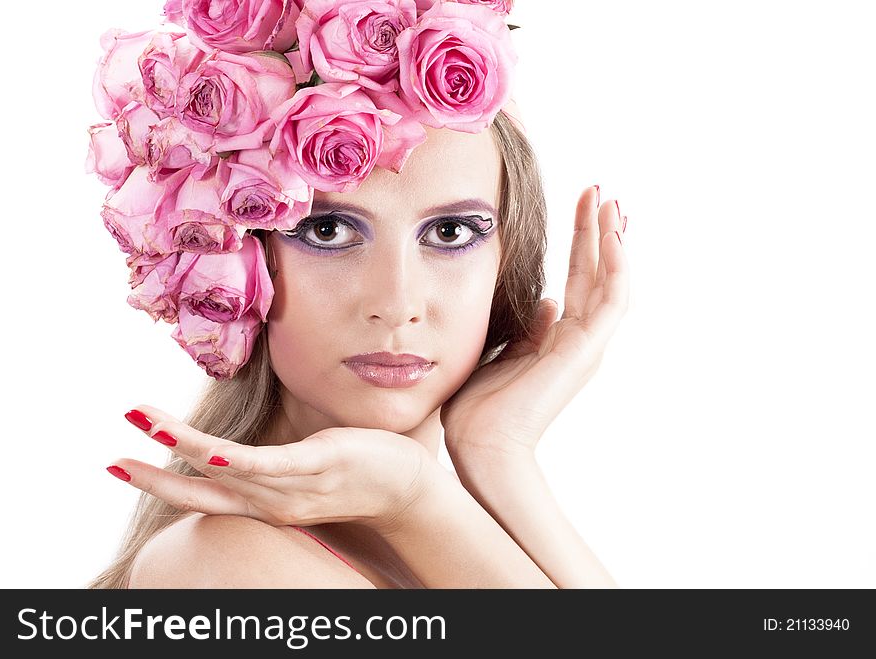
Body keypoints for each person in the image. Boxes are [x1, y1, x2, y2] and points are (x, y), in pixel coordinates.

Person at [86, 1, 629, 589]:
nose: (397, 303)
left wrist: (499, 452)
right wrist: (415, 501)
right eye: (328, 231)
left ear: (507, 262)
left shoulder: (425, 536)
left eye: (451, 233)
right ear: (232, 254)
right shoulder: (224, 565)